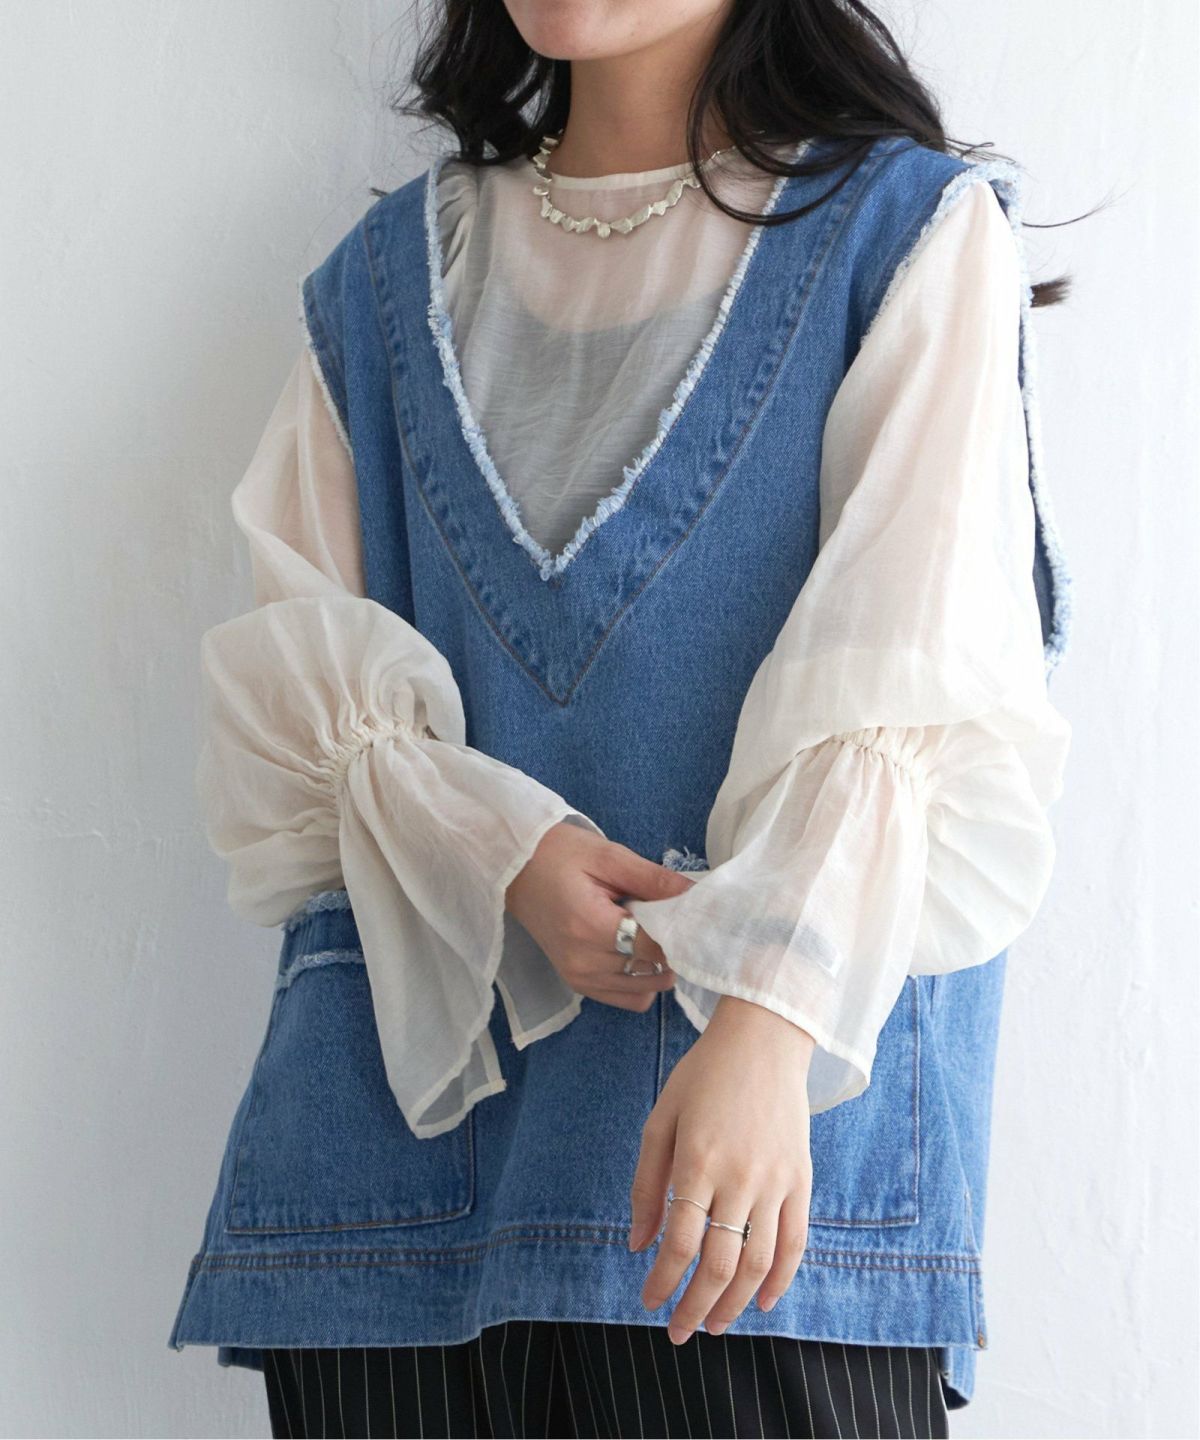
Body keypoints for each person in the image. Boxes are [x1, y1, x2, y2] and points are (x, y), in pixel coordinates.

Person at [166, 1, 1075, 1435]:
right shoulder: (382, 287)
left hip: (750, 1212)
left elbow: (921, 671)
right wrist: (498, 855)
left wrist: (769, 1026)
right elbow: (290, 713)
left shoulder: (907, 238)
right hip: (391, 1225)